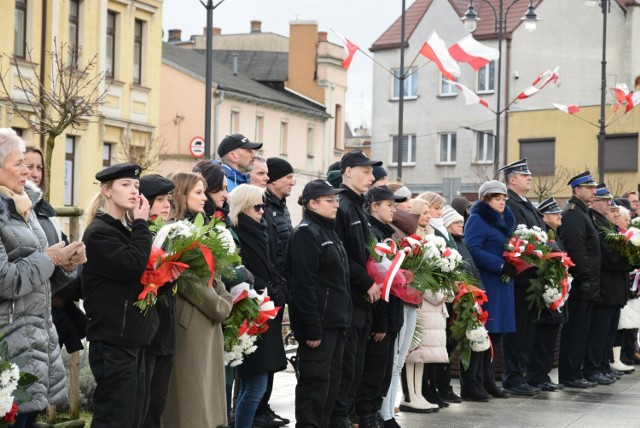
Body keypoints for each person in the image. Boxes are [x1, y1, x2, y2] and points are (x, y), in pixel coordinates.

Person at [0, 129, 82, 427]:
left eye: (30, 164)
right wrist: (50, 258)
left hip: (35, 337)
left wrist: (65, 265)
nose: (27, 172)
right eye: (19, 164)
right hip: (9, 344)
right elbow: (5, 282)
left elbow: (40, 286)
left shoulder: (23, 205)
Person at [82, 163, 158, 427]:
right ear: (106, 190)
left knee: (133, 415)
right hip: (114, 339)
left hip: (132, 336)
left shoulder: (122, 229)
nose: (134, 191)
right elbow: (132, 265)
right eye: (125, 185)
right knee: (114, 416)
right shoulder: (99, 232)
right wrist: (141, 223)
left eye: (136, 186)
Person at [162, 172, 233, 428]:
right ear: (181, 195)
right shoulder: (175, 231)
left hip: (204, 320)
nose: (205, 198)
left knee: (207, 396)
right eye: (199, 193)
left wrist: (223, 295)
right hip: (191, 321)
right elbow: (190, 281)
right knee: (193, 401)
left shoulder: (197, 227)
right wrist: (222, 304)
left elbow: (213, 274)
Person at [287, 179, 350, 428]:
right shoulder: (306, 233)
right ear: (312, 203)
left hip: (335, 322)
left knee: (331, 385)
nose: (336, 205)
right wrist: (311, 326)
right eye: (329, 200)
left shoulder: (328, 230)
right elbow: (304, 285)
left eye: (336, 200)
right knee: (315, 387)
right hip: (320, 325)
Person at [330, 150, 382, 428]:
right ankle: (340, 417)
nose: (371, 177)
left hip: (362, 300)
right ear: (348, 171)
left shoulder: (357, 206)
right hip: (349, 298)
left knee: (357, 365)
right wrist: (368, 281)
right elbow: (342, 255)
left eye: (372, 172)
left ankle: (349, 416)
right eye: (365, 171)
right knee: (346, 366)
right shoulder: (342, 206)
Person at [229, 184, 288, 428]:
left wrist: (278, 287)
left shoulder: (260, 230)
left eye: (263, 205)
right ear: (243, 207)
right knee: (255, 386)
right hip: (251, 314)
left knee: (256, 385)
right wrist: (270, 288)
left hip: (265, 310)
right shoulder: (239, 232)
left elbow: (271, 265)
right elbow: (243, 272)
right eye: (257, 206)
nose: (262, 211)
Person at [25, 145, 87, 355]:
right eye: (28, 166)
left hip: (53, 306)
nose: (34, 173)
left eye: (39, 168)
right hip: (29, 309)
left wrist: (72, 258)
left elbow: (61, 245)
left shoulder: (46, 209)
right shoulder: (12, 211)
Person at [356, 185, 408, 427]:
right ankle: (366, 415)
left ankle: (375, 412)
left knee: (384, 371)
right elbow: (378, 280)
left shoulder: (384, 231)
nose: (394, 209)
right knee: (374, 370)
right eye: (389, 205)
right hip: (380, 316)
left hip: (390, 315)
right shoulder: (371, 233)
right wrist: (382, 321)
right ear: (374, 206)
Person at [498, 158, 546, 396]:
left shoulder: (527, 204)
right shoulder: (510, 204)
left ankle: (521, 374)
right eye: (524, 175)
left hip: (533, 277)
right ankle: (513, 377)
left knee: (527, 330)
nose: (530, 177)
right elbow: (513, 238)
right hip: (520, 277)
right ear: (512, 180)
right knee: (516, 330)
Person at [464, 180, 516, 399]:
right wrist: (501, 264)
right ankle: (472, 385)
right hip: (487, 284)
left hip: (502, 285)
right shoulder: (477, 219)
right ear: (485, 200)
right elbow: (472, 249)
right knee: (481, 336)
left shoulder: (504, 221)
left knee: (494, 337)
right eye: (497, 198)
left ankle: (488, 381)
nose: (502, 202)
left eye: (503, 198)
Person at [254, 158, 295, 427]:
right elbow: (272, 250)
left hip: (279, 287)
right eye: (288, 177)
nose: (292, 181)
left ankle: (264, 407)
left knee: (271, 352)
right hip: (268, 288)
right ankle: (255, 410)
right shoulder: (264, 206)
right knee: (261, 353)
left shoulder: (281, 207)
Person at [138, 174, 178, 428]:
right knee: (144, 403)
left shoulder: (169, 234)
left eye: (169, 200)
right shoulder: (141, 235)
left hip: (166, 329)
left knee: (158, 402)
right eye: (160, 199)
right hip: (147, 330)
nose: (166, 205)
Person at [583, 184, 632, 385]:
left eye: (611, 204)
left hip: (614, 288)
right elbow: (607, 256)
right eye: (605, 202)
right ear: (593, 203)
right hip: (605, 286)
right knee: (599, 332)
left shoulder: (606, 225)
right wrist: (629, 260)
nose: (610, 207)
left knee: (608, 332)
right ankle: (593, 368)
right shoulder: (597, 225)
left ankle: (603, 365)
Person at [557, 171, 600, 389]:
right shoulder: (574, 214)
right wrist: (586, 278)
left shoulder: (583, 212)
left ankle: (575, 372)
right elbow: (577, 250)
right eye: (589, 188)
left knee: (582, 331)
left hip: (588, 283)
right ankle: (569, 375)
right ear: (577, 190)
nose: (593, 191)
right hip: (582, 283)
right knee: (575, 331)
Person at [443, 205, 491, 402]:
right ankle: (466, 386)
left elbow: (474, 271)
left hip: (472, 298)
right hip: (458, 301)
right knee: (459, 344)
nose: (461, 225)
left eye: (461, 222)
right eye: (456, 222)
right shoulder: (449, 245)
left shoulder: (462, 243)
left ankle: (474, 385)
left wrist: (478, 291)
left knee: (476, 341)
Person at [417, 192, 460, 405]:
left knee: (437, 346)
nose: (437, 213)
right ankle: (423, 390)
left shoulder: (436, 231)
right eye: (434, 209)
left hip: (441, 295)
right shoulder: (425, 234)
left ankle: (433, 388)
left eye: (437, 210)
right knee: (425, 349)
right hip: (429, 298)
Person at [526, 197, 568, 392]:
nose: (560, 216)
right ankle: (536, 376)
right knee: (542, 338)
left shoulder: (555, 234)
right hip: (545, 293)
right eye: (555, 213)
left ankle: (543, 375)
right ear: (544, 216)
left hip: (556, 292)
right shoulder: (543, 234)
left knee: (550, 338)